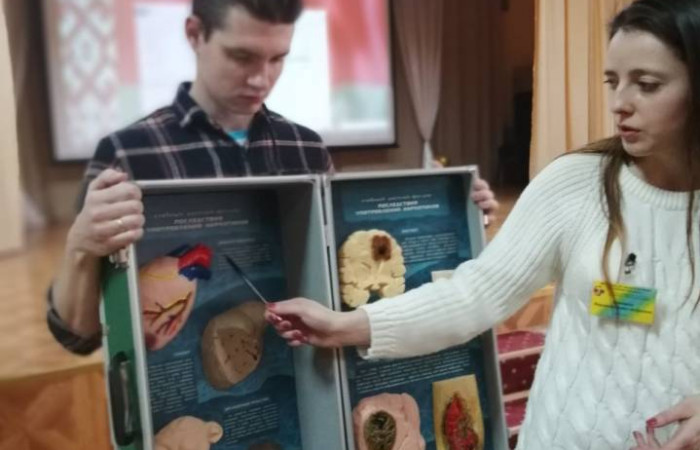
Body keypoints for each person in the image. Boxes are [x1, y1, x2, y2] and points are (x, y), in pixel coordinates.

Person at [266, 1, 700, 449]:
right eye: (612, 81)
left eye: (647, 85)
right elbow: (474, 294)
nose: (619, 103)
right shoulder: (578, 183)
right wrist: (344, 326)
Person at [47, 0, 499, 355]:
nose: (261, 79)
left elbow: (342, 271)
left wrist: (453, 216)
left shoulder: (305, 147)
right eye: (241, 56)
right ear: (195, 34)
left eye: (278, 58)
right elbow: (78, 336)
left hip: (301, 375)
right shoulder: (128, 154)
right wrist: (80, 248)